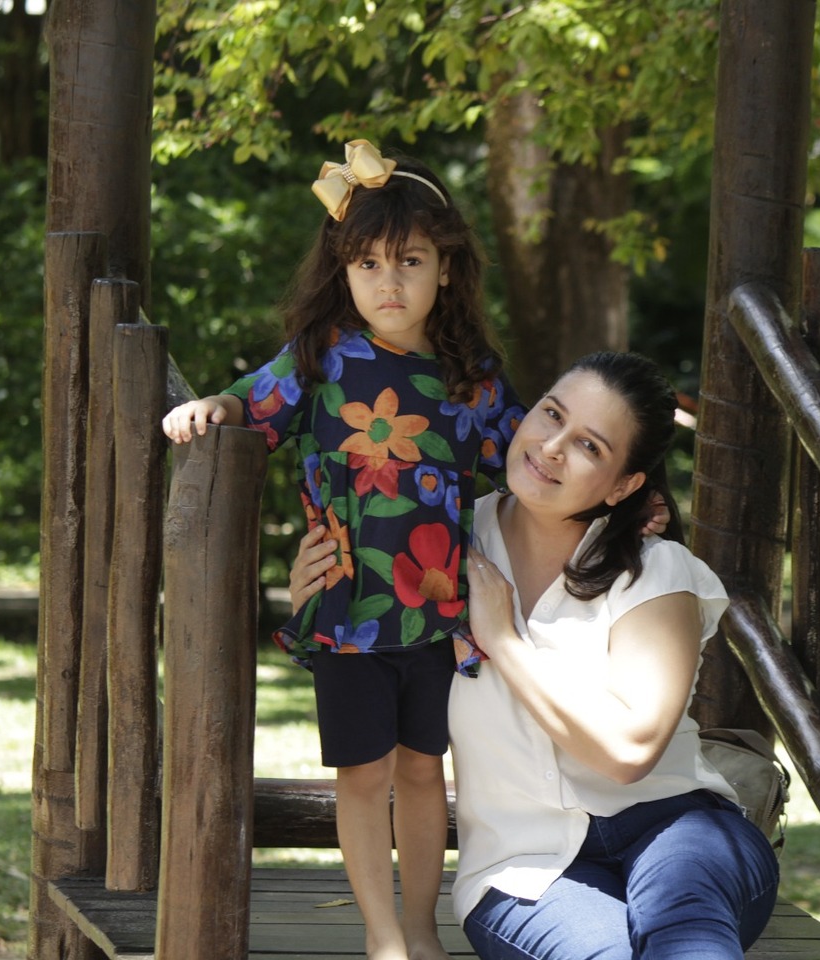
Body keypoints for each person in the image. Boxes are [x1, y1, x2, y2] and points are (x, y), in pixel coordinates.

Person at [162, 139, 526, 960]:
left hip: (441, 613)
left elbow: (533, 470)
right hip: (346, 612)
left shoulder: (474, 378)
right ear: (342, 270)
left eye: (409, 261)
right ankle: (382, 935)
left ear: (447, 268)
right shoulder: (321, 358)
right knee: (362, 779)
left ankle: (424, 930)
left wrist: (627, 493)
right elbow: (247, 403)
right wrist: (209, 408)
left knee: (426, 772)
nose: (387, 282)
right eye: (366, 264)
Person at [291, 351, 781, 959]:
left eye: (590, 447)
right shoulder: (430, 545)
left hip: (674, 825)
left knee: (688, 937)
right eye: (551, 415)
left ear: (625, 486)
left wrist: (503, 641)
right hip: (519, 868)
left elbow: (629, 753)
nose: (552, 447)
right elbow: (366, 666)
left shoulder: (655, 570)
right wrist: (324, 590)